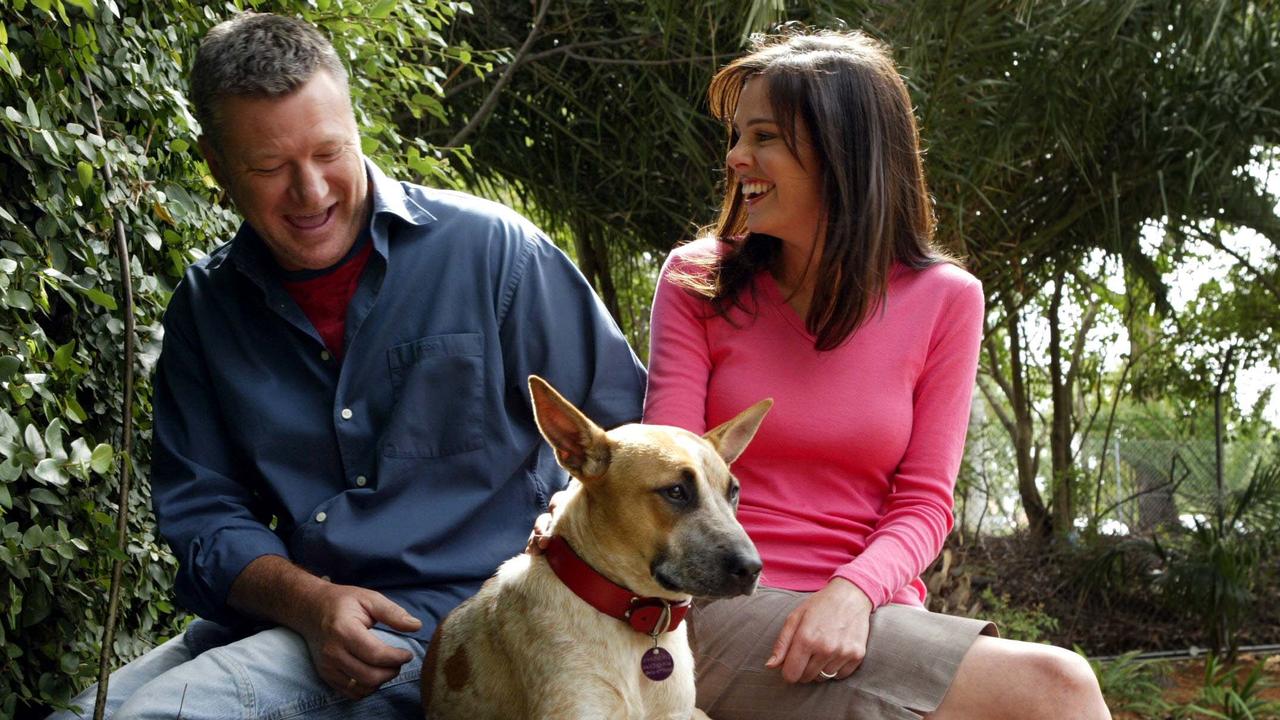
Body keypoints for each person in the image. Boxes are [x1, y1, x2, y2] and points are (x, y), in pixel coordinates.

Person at [48, 12, 645, 720]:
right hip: (295, 620)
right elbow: (203, 511)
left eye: (330, 153)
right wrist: (309, 602)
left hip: (479, 627)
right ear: (213, 164)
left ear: (354, 123)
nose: (312, 193)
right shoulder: (207, 308)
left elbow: (632, 440)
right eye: (269, 168)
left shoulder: (495, 256)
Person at [642, 30, 1112, 719]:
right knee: (1055, 688)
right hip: (716, 601)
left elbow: (925, 501)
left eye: (764, 136)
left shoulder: (947, 298)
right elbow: (665, 471)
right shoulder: (697, 279)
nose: (736, 157)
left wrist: (855, 593)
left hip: (868, 612)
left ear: (842, 155)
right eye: (739, 135)